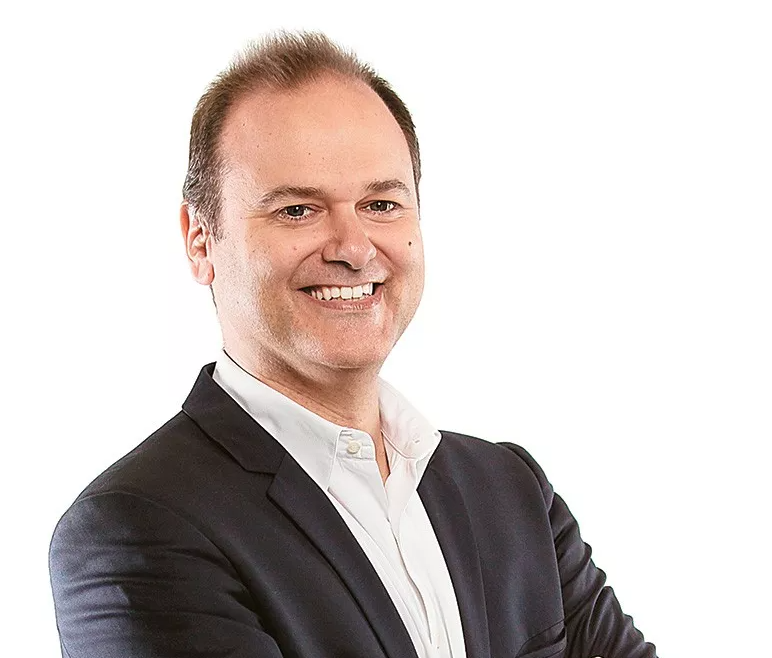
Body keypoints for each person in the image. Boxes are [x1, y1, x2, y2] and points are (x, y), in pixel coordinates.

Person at [49, 32, 657, 658]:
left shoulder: (511, 493)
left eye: (381, 203)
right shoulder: (134, 527)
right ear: (200, 240)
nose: (354, 247)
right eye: (297, 210)